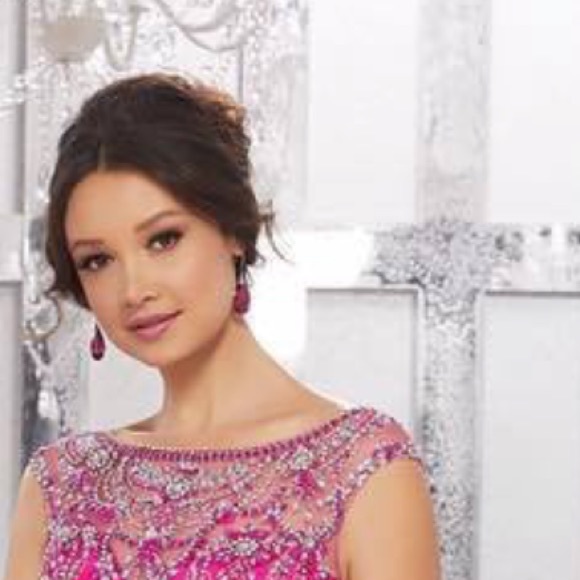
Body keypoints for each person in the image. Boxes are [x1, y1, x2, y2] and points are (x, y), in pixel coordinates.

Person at [4, 73, 440, 579]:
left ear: (232, 229)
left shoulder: (363, 468)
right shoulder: (61, 485)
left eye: (163, 239)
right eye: (98, 260)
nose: (133, 289)